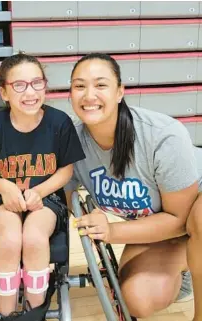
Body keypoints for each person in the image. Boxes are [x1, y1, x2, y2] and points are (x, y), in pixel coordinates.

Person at [64, 52, 202, 319]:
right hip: (164, 224)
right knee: (136, 300)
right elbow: (68, 194)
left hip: (187, 213)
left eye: (100, 85)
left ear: (120, 92)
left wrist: (111, 231)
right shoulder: (71, 141)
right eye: (79, 86)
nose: (89, 95)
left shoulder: (162, 135)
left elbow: (178, 219)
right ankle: (188, 266)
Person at [0, 53, 85, 319]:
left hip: (46, 198)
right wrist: (4, 187)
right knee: (9, 239)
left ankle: (35, 312)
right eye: (19, 85)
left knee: (33, 237)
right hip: (3, 199)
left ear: (45, 85)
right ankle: (7, 314)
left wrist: (40, 191)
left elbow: (66, 169)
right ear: (4, 93)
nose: (29, 92)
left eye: (36, 83)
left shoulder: (59, 123)